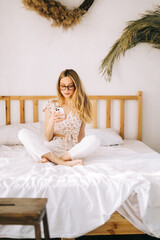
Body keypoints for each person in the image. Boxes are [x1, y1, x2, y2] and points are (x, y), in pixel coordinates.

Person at [18, 69, 100, 167]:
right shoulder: (51, 104)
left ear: (76, 86)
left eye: (70, 86)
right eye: (63, 86)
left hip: (71, 151)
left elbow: (81, 133)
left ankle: (57, 160)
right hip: (50, 149)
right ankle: (61, 162)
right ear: (59, 86)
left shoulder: (83, 105)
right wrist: (52, 122)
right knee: (22, 133)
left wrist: (80, 148)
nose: (66, 90)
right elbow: (48, 138)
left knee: (95, 139)